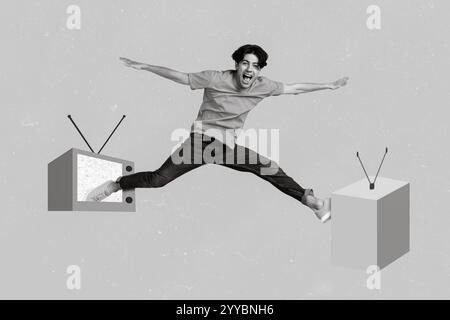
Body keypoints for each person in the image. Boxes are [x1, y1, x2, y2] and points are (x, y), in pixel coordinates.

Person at [86, 44, 348, 223]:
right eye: (245, 63)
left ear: (259, 71)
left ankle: (312, 202)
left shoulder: (263, 85)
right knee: (158, 180)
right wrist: (145, 66)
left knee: (268, 168)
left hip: (227, 148)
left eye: (255, 66)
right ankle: (116, 184)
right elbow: (180, 77)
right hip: (200, 143)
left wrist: (328, 85)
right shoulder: (215, 78)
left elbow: (294, 88)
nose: (249, 70)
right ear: (236, 64)